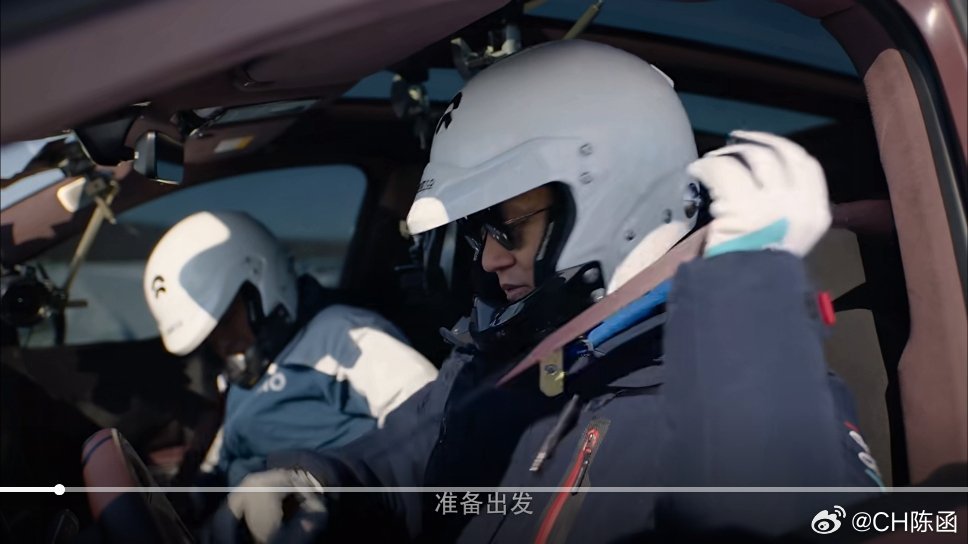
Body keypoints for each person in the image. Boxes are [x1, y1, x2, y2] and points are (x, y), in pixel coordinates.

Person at [218, 40, 882, 543]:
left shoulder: (760, 392)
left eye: (507, 224)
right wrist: (320, 481)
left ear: (608, 194)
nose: (490, 259)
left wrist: (746, 300)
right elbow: (413, 465)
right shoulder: (505, 355)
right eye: (477, 232)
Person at [143, 210, 438, 488]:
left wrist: (322, 483)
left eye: (227, 319)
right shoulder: (240, 379)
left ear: (259, 283)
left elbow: (434, 423)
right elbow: (219, 460)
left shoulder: (340, 336)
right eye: (210, 335)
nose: (223, 343)